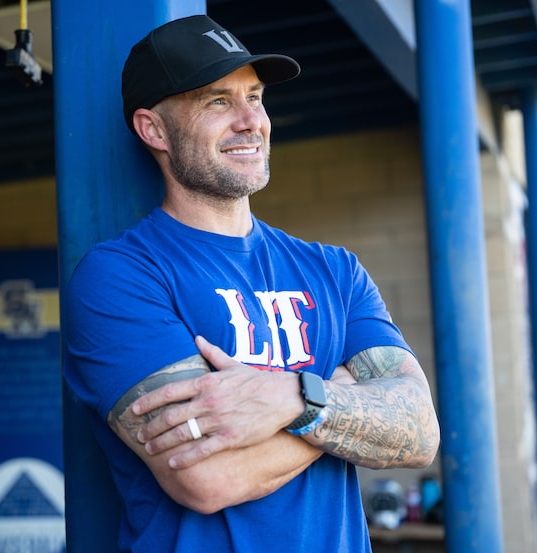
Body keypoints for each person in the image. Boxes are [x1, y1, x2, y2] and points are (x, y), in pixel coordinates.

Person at [63, 14, 440, 553]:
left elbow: (420, 431)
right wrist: (340, 393)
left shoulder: (335, 271)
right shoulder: (121, 276)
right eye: (218, 101)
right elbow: (207, 478)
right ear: (154, 130)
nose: (250, 121)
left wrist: (293, 397)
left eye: (256, 97)